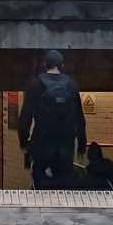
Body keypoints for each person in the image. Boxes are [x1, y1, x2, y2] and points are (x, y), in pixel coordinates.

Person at [17, 50, 86, 190]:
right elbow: (79, 118)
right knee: (64, 186)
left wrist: (24, 143)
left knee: (41, 185)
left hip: (41, 143)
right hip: (66, 145)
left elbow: (25, 118)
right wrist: (82, 144)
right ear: (62, 66)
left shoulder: (34, 84)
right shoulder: (72, 85)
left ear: (44, 65)